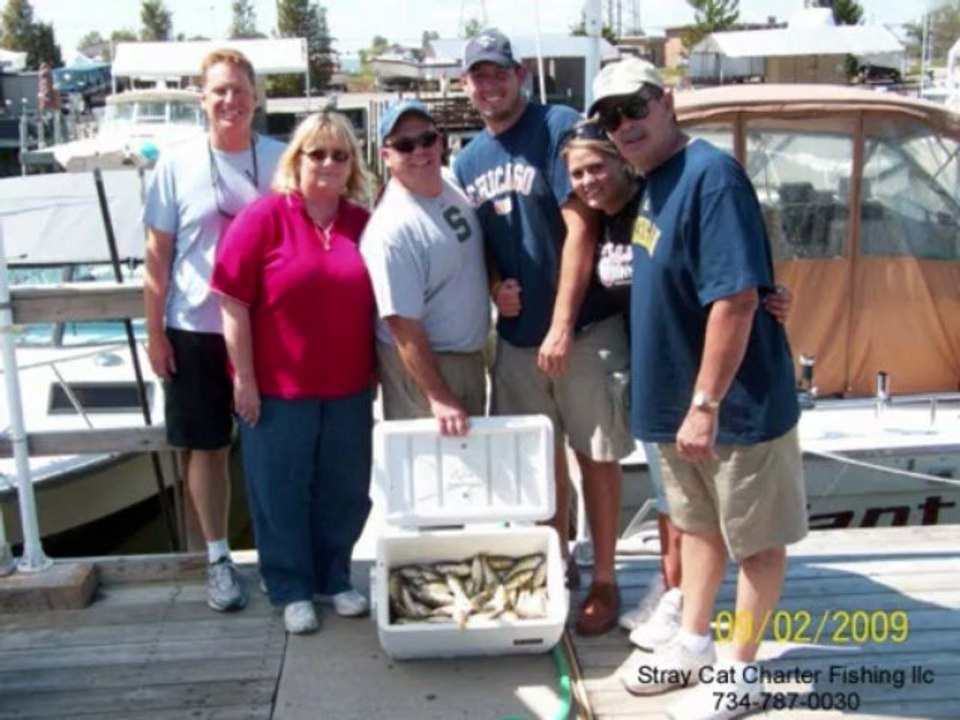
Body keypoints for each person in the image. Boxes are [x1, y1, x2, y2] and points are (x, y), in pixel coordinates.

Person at [589, 58, 808, 719]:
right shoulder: (652, 181)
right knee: (699, 529)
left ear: (667, 102)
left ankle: (739, 673)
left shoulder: (711, 176)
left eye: (633, 108)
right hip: (678, 409)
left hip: (732, 409)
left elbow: (736, 299)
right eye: (608, 116)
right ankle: (693, 641)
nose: (622, 125)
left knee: (757, 541)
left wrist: (706, 403)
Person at [559, 120, 794, 654]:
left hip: (714, 390)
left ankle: (706, 628)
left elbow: (735, 272)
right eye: (578, 173)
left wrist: (771, 291)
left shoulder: (679, 188)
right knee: (684, 507)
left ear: (621, 161)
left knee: (738, 533)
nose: (590, 179)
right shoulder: (602, 220)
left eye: (598, 166)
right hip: (658, 382)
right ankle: (688, 617)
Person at [453, 28, 632, 636]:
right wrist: (495, 284)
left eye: (498, 71)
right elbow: (484, 241)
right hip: (518, 339)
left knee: (596, 454)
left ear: (520, 75)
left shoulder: (556, 126)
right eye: (478, 74)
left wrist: (560, 324)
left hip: (581, 329)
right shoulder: (468, 158)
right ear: (466, 84)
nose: (490, 83)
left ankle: (604, 576)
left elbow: (581, 227)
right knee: (536, 461)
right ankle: (558, 566)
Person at [210, 111, 376, 635]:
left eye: (340, 155)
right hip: (279, 391)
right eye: (317, 153)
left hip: (349, 388)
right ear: (296, 159)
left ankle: (333, 577)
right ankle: (289, 586)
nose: (328, 163)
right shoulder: (262, 218)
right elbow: (232, 303)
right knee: (279, 490)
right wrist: (245, 378)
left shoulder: (362, 223)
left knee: (345, 489)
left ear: (352, 166)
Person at [143, 49, 285, 613]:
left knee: (272, 446)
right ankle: (219, 559)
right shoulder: (175, 165)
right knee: (206, 448)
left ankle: (279, 557)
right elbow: (156, 259)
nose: (230, 101)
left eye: (240, 89)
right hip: (193, 329)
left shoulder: (280, 159)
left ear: (256, 96)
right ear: (202, 99)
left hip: (268, 328)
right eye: (219, 91)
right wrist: (156, 335)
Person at [361, 100, 488, 435]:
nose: (420, 150)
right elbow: (402, 325)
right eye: (404, 145)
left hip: (469, 360)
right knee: (431, 481)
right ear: (385, 155)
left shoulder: (449, 182)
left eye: (428, 138)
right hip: (425, 370)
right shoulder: (391, 230)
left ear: (441, 141)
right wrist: (438, 394)